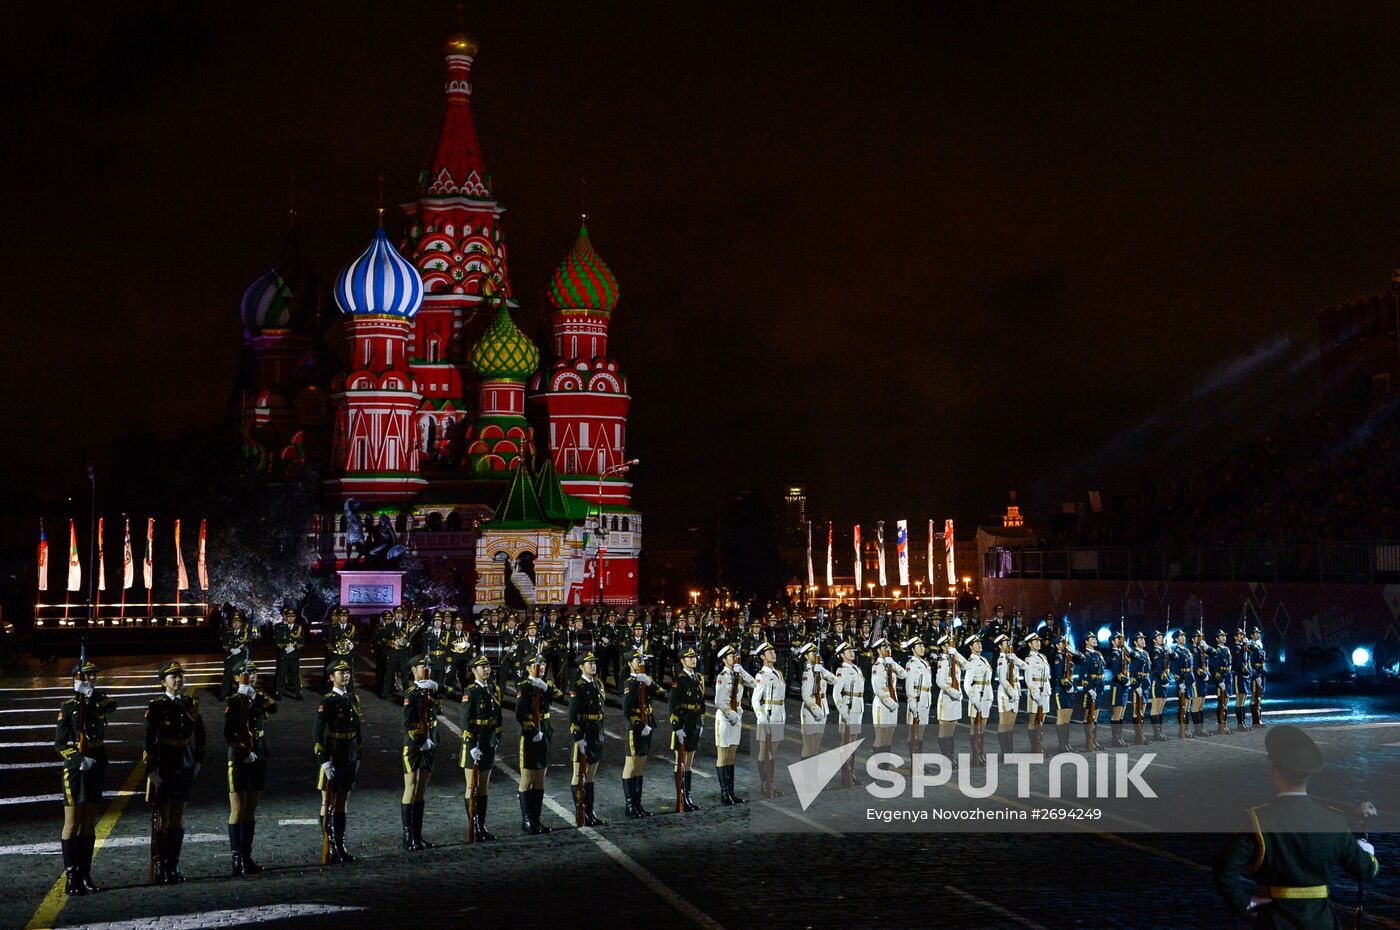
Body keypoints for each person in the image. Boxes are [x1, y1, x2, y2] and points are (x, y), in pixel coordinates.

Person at [1213, 725, 1379, 928]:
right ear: (1308, 775)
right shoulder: (1333, 820)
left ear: (1275, 771)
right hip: (1322, 922)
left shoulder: (1257, 820)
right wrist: (1365, 848)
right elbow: (1365, 870)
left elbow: (1224, 872)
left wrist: (1245, 905)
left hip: (1274, 920)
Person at [54, 659, 116, 895]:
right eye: (86, 677)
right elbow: (59, 744)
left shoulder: (98, 701)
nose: (90, 679)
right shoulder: (68, 707)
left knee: (89, 822)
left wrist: (91, 694)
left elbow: (112, 706)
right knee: (72, 822)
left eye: (93, 676)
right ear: (75, 680)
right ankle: (71, 876)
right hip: (76, 768)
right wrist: (79, 760)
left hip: (97, 762)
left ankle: (85, 873)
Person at [143, 661, 206, 885]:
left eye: (180, 676)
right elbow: (149, 739)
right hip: (165, 762)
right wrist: (151, 770)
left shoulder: (190, 703)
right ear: (163, 682)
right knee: (163, 818)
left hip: (185, 762)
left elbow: (200, 733)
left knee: (178, 816)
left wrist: (198, 760)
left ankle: (173, 866)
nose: (178, 679)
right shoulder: (157, 705)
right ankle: (160, 867)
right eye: (173, 677)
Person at [224, 658, 276, 876]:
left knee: (251, 810)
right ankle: (237, 860)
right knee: (238, 809)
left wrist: (253, 696)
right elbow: (229, 733)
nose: (252, 677)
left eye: (253, 673)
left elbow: (273, 707)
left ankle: (247, 856)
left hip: (260, 755)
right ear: (237, 679)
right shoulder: (234, 701)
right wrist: (244, 752)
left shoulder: (258, 697)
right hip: (240, 757)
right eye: (247, 674)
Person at [314, 659, 362, 865]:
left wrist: (358, 753)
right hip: (334, 753)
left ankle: (340, 846)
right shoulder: (329, 700)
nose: (345, 675)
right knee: (328, 801)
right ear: (331, 677)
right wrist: (324, 761)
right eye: (340, 673)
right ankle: (330, 844)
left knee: (342, 801)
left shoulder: (352, 698)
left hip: (349, 754)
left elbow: (358, 729)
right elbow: (317, 732)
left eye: (347, 672)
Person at [516, 651, 563, 834]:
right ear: (528, 668)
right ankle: (527, 820)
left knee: (541, 777)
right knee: (528, 776)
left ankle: (536, 819)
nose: (541, 668)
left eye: (543, 665)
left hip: (545, 730)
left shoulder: (546, 685)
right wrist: (532, 730)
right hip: (530, 734)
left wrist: (544, 687)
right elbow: (520, 714)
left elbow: (563, 698)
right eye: (537, 665)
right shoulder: (524, 686)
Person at [398, 654, 440, 850]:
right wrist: (422, 740)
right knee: (411, 787)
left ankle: (417, 835)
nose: (427, 669)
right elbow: (407, 723)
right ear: (414, 670)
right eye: (423, 666)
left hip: (430, 742)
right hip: (416, 744)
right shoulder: (411, 693)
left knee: (421, 789)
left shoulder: (429, 690)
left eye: (428, 667)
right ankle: (408, 837)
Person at [461, 654, 501, 842]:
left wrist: (497, 737)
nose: (486, 669)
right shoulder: (471, 691)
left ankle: (481, 825)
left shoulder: (492, 688)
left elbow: (497, 715)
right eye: (482, 667)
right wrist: (470, 746)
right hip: (475, 741)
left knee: (484, 786)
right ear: (473, 670)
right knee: (472, 785)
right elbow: (465, 721)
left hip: (488, 739)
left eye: (488, 666)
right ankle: (473, 825)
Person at [712, 643, 755, 805]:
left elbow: (754, 684)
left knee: (731, 756)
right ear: (724, 660)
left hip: (737, 717)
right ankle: (724, 794)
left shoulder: (738, 674)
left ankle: (731, 792)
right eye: (731, 656)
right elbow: (718, 701)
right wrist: (731, 714)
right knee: (723, 756)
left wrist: (742, 671)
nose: (734, 658)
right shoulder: (722, 676)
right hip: (725, 717)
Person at [568, 652, 607, 826]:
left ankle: (589, 812)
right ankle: (580, 812)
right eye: (589, 663)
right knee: (579, 774)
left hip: (596, 730)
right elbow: (573, 714)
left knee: (590, 775)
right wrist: (577, 737)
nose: (593, 665)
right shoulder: (578, 686)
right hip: (584, 731)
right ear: (581, 666)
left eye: (594, 662)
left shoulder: (597, 683)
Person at [620, 649, 657, 818]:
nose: (640, 663)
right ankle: (630, 804)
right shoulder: (629, 682)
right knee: (631, 763)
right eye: (636, 660)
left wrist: (649, 683)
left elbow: (661, 694)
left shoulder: (644, 680)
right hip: (635, 726)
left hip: (647, 723)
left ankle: (637, 803)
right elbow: (627, 709)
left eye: (640, 660)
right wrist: (639, 724)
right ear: (629, 663)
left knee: (641, 763)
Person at [669, 646, 706, 812]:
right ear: (683, 661)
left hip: (694, 721)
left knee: (689, 762)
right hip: (683, 722)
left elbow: (700, 700)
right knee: (681, 762)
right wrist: (676, 727)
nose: (694, 659)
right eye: (690, 658)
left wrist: (701, 719)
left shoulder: (697, 677)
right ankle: (680, 796)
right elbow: (673, 705)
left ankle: (687, 796)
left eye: (695, 657)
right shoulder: (680, 679)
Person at [751, 641, 786, 798]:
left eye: (773, 651)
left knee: (773, 753)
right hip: (767, 715)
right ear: (762, 656)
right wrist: (761, 718)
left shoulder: (778, 673)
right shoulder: (761, 675)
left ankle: (770, 783)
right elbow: (755, 700)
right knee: (764, 752)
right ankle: (765, 785)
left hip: (779, 715)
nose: (773, 653)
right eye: (769, 652)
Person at [961, 633, 993, 767]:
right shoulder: (971, 662)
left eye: (980, 643)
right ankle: (975, 756)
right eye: (976, 644)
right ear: (971, 647)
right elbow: (967, 684)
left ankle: (980, 754)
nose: (980, 645)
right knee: (976, 727)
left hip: (986, 695)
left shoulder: (984, 660)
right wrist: (974, 700)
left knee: (982, 728)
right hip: (977, 696)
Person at [870, 638, 905, 751]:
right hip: (883, 704)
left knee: (889, 737)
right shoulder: (877, 666)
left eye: (888, 647)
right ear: (879, 650)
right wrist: (890, 703)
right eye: (885, 647)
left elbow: (904, 675)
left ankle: (885, 764)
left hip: (893, 702)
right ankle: (879, 766)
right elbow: (878, 689)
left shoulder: (890, 664)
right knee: (881, 737)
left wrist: (893, 663)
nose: (887, 649)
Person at [935, 633, 965, 765]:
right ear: (943, 647)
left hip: (956, 698)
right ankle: (946, 759)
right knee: (944, 729)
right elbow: (940, 681)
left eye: (952, 644)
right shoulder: (943, 661)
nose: (950, 646)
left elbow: (967, 666)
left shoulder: (955, 659)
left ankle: (951, 756)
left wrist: (957, 654)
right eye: (947, 644)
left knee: (951, 729)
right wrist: (952, 691)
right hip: (947, 698)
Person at [1021, 632, 1051, 754]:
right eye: (1035, 641)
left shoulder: (1043, 657)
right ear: (1030, 644)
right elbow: (1028, 679)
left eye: (1039, 641)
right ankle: (1035, 748)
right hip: (1036, 691)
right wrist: (1034, 694)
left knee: (1041, 721)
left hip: (1045, 688)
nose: (1039, 643)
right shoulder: (1029, 659)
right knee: (1034, 721)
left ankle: (1039, 747)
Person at [903, 636, 933, 756]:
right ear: (913, 649)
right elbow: (909, 685)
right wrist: (912, 703)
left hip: (925, 699)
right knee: (913, 732)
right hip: (917, 699)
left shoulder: (924, 663)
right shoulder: (911, 664)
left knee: (920, 733)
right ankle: (915, 763)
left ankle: (919, 761)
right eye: (919, 646)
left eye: (923, 646)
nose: (922, 648)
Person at [1051, 636, 1081, 753]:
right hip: (1061, 689)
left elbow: (1081, 659)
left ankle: (1066, 743)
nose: (1064, 644)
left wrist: (1073, 651)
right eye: (1062, 643)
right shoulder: (1058, 657)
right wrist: (1067, 685)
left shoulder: (1068, 655)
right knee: (1062, 717)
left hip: (1070, 688)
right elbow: (1059, 676)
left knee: (1067, 718)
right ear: (1057, 645)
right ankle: (1061, 745)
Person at [1168, 628, 1197, 739]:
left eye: (1184, 636)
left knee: (1188, 705)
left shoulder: (1186, 650)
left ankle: (1187, 729)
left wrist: (1193, 679)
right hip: (1183, 680)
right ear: (1176, 639)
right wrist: (1179, 682)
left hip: (1189, 679)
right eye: (1181, 636)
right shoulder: (1176, 651)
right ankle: (1182, 730)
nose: (1183, 638)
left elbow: (1191, 666)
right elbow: (1175, 668)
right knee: (1183, 706)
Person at [273, 607, 306, 699]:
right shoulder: (281, 628)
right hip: (284, 655)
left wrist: (294, 647)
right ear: (286, 618)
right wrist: (284, 646)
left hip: (294, 655)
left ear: (295, 618)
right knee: (281, 675)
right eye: (288, 617)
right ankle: (279, 693)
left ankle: (298, 693)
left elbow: (302, 641)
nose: (290, 618)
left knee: (295, 675)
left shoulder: (298, 628)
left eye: (292, 617)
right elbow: (277, 640)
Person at [323, 608, 358, 692]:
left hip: (347, 655)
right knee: (335, 674)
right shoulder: (332, 628)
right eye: (341, 616)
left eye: (345, 616)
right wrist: (335, 648)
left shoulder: (352, 627)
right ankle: (334, 692)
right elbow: (328, 642)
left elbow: (356, 640)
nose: (343, 618)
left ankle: (350, 692)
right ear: (338, 617)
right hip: (335, 655)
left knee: (347, 674)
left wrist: (352, 645)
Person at [1082, 636, 1106, 751]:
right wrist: (1088, 688)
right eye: (1091, 639)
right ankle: (1088, 741)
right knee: (1088, 715)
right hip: (1091, 685)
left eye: (1095, 638)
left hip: (1099, 684)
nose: (1095, 640)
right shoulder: (1086, 656)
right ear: (1086, 641)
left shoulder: (1097, 654)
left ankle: (1094, 740)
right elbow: (1083, 675)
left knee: (1095, 715)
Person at [1209, 629, 1235, 736]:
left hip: (1228, 677)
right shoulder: (1216, 650)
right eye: (1221, 636)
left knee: (1226, 702)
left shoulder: (1227, 649)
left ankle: (1224, 724)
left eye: (1224, 635)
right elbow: (1214, 667)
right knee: (1222, 703)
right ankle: (1221, 726)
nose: (1224, 637)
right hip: (1222, 678)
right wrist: (1219, 681)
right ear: (1217, 638)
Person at [1147, 630, 1172, 742]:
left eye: (1161, 636)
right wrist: (1165, 679)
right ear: (1154, 640)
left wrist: (1169, 650)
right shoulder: (1155, 652)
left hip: (1163, 681)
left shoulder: (1163, 650)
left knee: (1161, 708)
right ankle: (1156, 733)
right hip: (1157, 681)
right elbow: (1157, 668)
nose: (1161, 638)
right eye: (1159, 637)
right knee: (1155, 707)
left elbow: (1174, 657)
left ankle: (1160, 732)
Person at [220, 611, 251, 700]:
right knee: (226, 678)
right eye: (234, 622)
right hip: (230, 659)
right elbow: (224, 645)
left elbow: (248, 645)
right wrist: (231, 649)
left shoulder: (245, 634)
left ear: (241, 624)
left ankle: (243, 695)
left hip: (241, 659)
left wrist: (241, 649)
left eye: (238, 622)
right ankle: (223, 695)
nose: (236, 624)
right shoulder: (228, 633)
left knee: (242, 679)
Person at [1231, 628, 1254, 732]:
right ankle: (1240, 723)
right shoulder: (1236, 647)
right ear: (1235, 637)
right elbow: (1238, 662)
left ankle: (1243, 722)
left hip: (1245, 675)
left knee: (1244, 699)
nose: (1242, 636)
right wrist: (1244, 671)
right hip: (1239, 675)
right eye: (1240, 634)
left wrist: (1247, 645)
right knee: (1239, 699)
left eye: (1242, 634)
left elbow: (1250, 655)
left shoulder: (1243, 647)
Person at [1248, 627, 1268, 728]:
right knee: (1255, 695)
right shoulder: (1250, 645)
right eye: (1256, 633)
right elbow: (1250, 662)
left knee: (1260, 696)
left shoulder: (1259, 644)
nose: (1258, 634)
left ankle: (1258, 719)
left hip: (1261, 671)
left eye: (1258, 633)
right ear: (1251, 635)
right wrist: (1255, 675)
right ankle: (1255, 720)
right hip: (1255, 673)